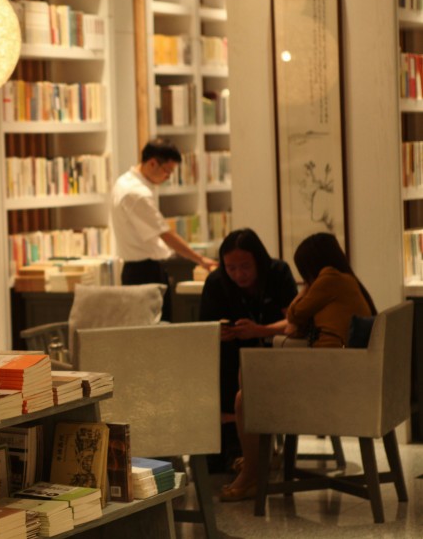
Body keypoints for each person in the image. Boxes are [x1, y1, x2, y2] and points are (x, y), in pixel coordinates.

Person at [221, 232, 376, 502]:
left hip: (329, 374)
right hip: (340, 371)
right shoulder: (344, 280)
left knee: (244, 398)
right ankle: (258, 458)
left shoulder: (329, 278)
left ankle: (252, 470)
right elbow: (296, 324)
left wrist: (308, 287)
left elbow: (294, 314)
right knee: (249, 376)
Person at [199, 228, 297, 474]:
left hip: (275, 351)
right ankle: (231, 444)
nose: (238, 274)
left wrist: (259, 330)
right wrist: (218, 333)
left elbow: (294, 323)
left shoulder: (278, 273)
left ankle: (240, 449)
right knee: (220, 361)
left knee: (243, 363)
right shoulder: (216, 282)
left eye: (245, 266)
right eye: (231, 268)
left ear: (259, 260)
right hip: (231, 354)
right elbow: (203, 329)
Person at [111, 138, 217, 321]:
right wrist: (200, 259)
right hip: (145, 272)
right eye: (167, 171)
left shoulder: (123, 182)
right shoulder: (137, 193)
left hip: (135, 270)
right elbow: (165, 234)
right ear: (152, 163)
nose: (168, 177)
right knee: (156, 329)